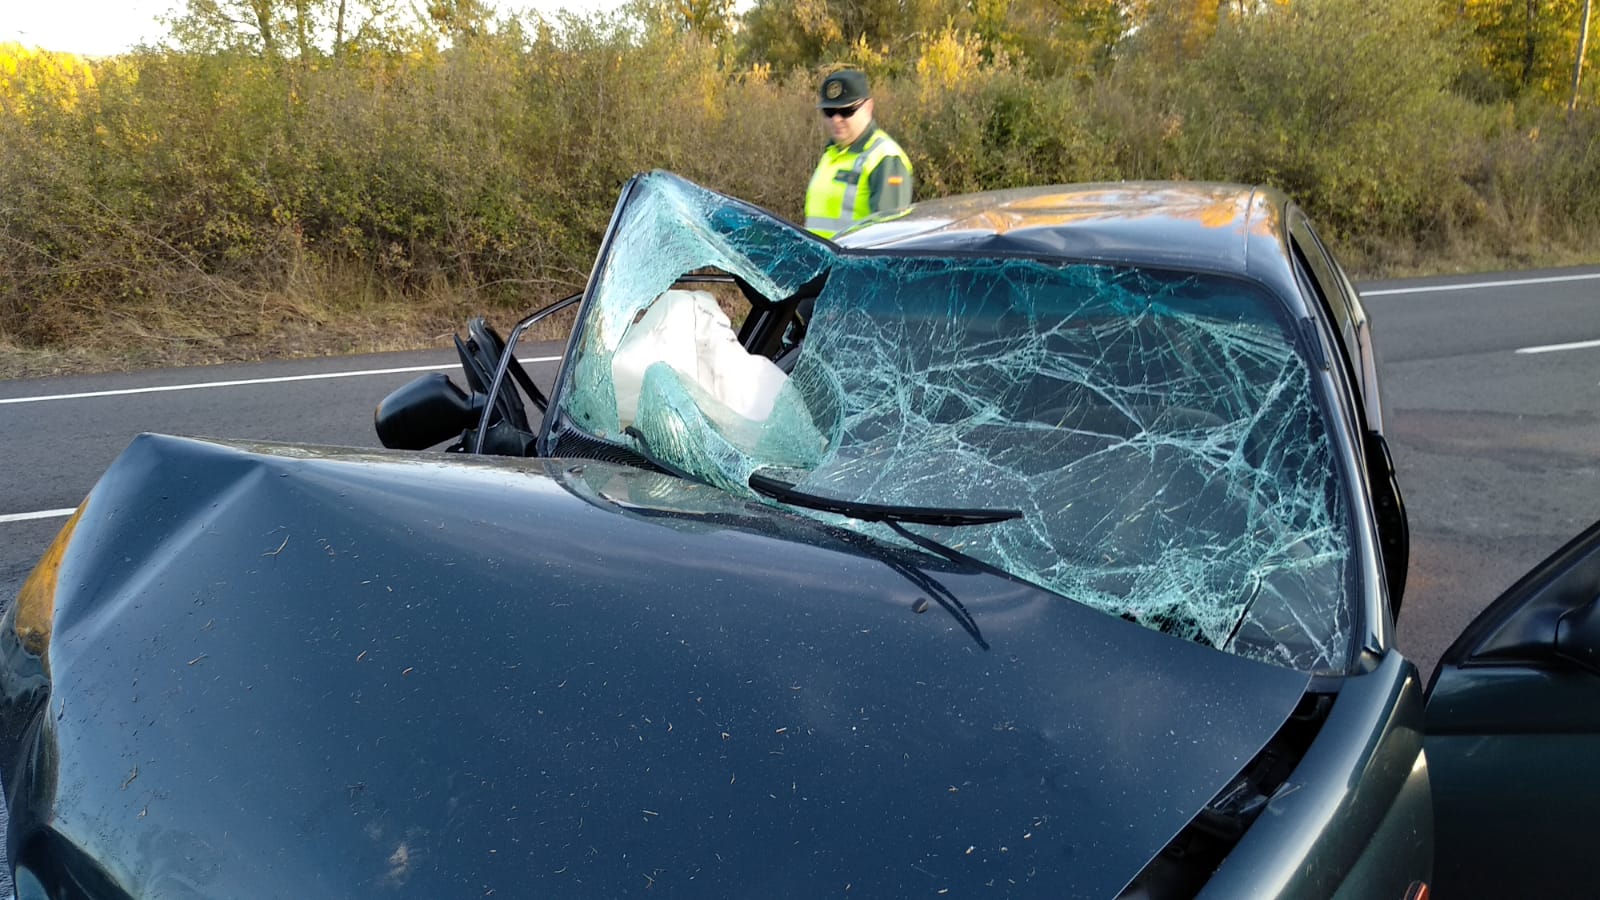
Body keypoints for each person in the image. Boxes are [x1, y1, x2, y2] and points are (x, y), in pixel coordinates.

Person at [804, 70, 914, 239]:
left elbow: (889, 239)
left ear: (868, 107)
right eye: (829, 112)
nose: (836, 119)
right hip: (820, 263)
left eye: (847, 111)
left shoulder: (886, 158)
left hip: (852, 265)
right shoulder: (831, 153)